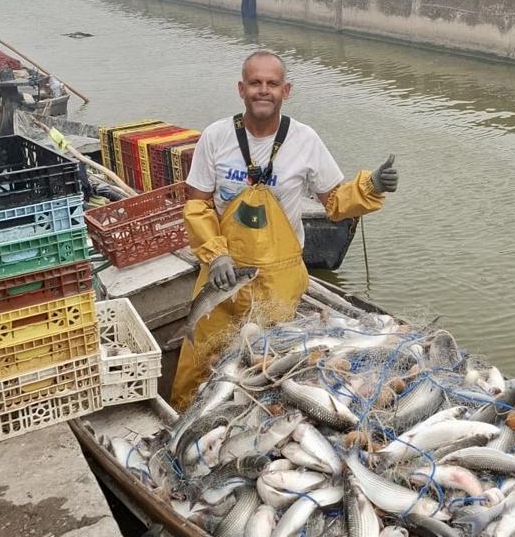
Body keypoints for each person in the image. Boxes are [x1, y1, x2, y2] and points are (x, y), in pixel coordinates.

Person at [170, 50, 399, 410]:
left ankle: (253, 417)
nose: (264, 90)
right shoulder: (215, 137)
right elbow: (197, 204)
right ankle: (185, 416)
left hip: (279, 280)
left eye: (272, 84)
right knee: (200, 362)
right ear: (241, 88)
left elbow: (336, 203)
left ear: (286, 90)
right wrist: (216, 256)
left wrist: (372, 185)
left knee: (269, 363)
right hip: (224, 274)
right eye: (255, 83)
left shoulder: (305, 140)